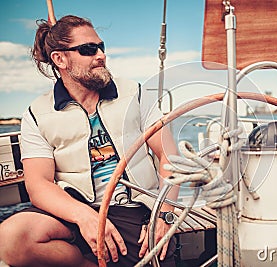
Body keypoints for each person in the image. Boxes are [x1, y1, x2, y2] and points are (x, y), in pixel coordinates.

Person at [0, 15, 179, 267]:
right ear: (59, 59)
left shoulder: (135, 94)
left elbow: (168, 157)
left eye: (101, 47)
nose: (101, 55)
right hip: (71, 208)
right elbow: (38, 184)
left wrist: (165, 214)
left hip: (131, 208)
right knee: (11, 239)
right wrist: (85, 216)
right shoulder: (37, 113)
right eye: (88, 49)